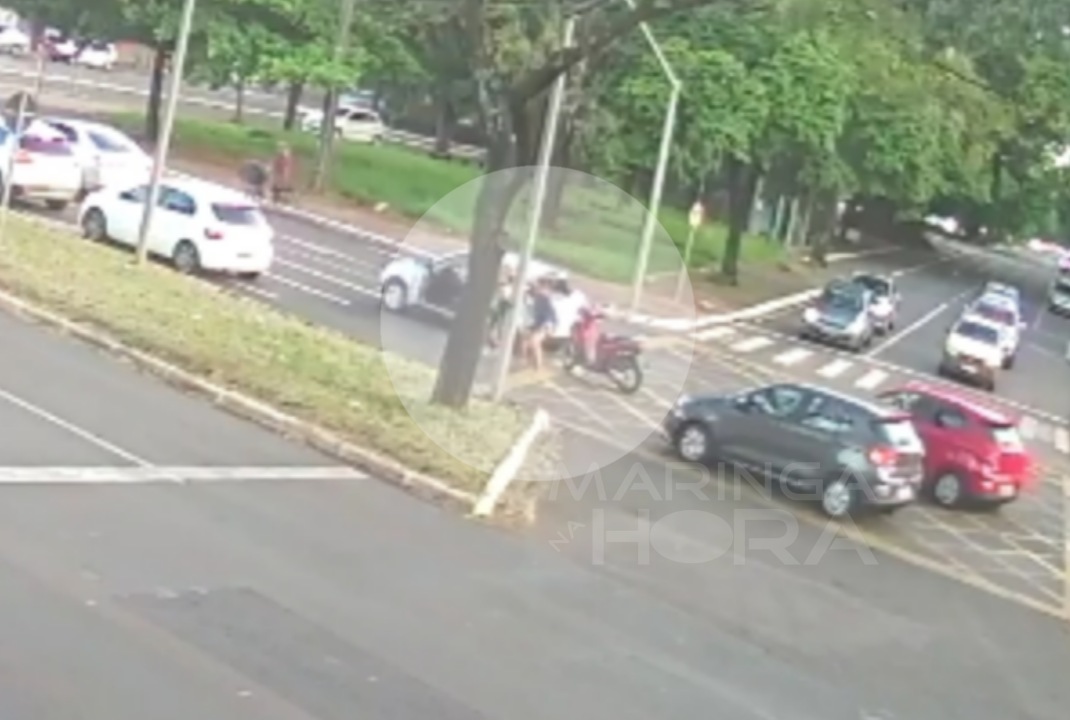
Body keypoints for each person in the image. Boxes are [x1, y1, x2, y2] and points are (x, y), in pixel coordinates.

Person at [524, 278, 557, 370]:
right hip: (537, 323)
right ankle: (533, 364)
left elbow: (551, 314)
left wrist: (549, 327)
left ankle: (537, 366)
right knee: (529, 344)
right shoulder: (537, 296)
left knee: (534, 343)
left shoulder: (546, 298)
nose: (538, 288)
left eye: (541, 286)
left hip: (545, 324)